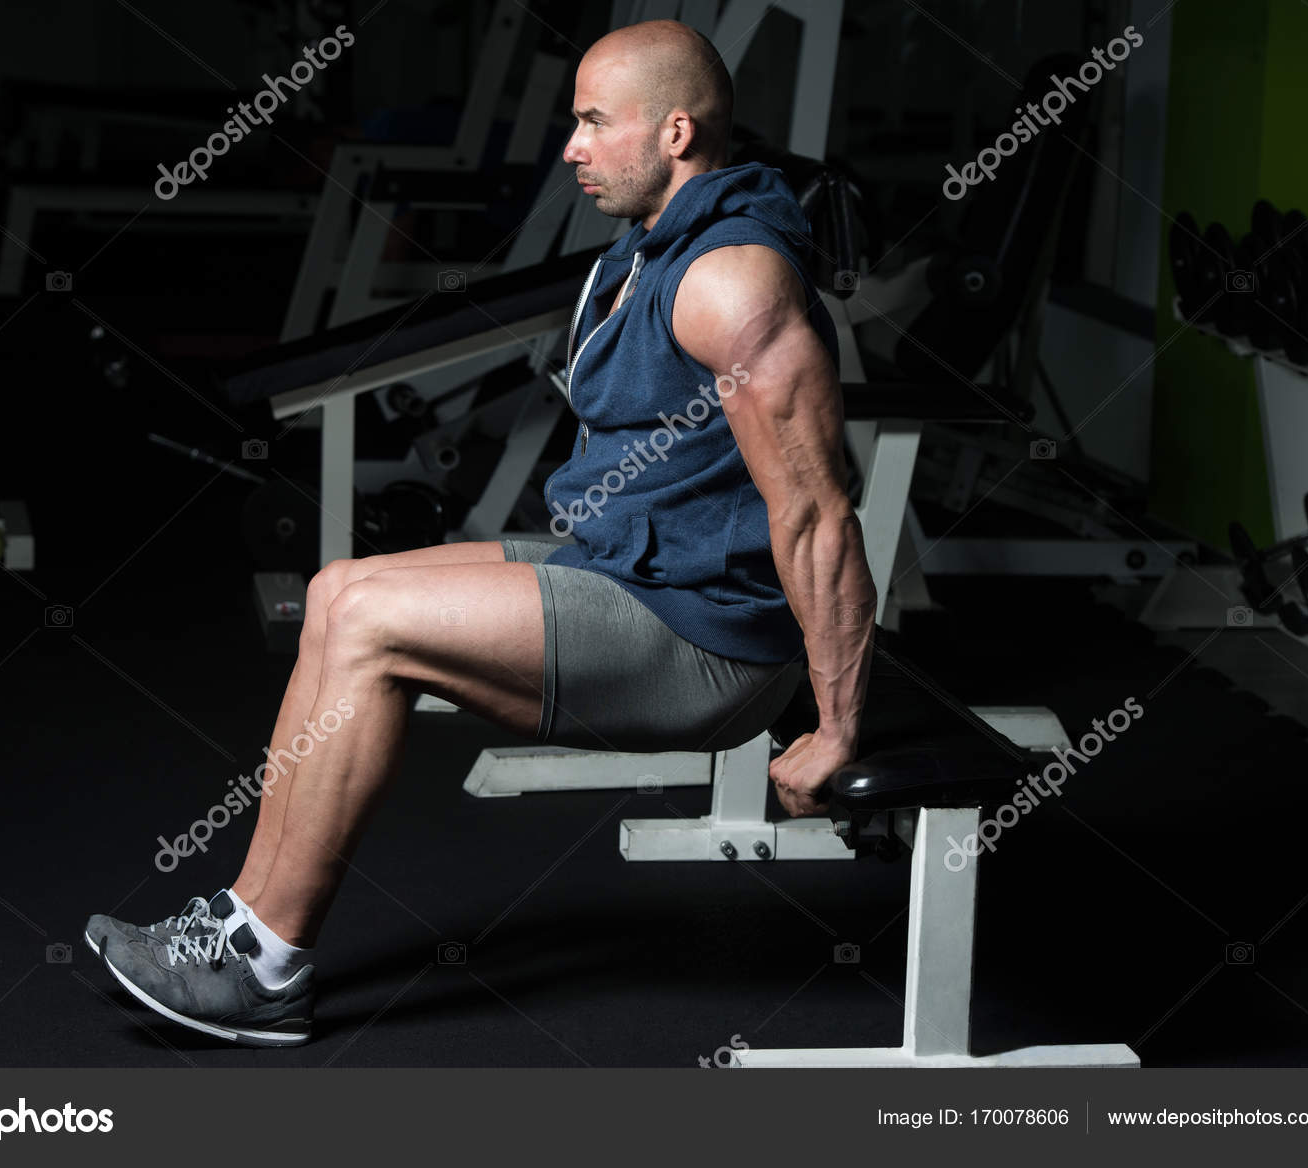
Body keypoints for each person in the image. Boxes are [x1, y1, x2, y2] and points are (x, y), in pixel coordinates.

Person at [86, 18, 877, 1048]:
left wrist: (837, 728)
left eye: (595, 122)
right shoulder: (648, 249)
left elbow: (816, 510)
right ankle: (241, 921)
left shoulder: (731, 283)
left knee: (370, 625)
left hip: (706, 642)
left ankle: (269, 969)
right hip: (632, 572)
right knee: (337, 590)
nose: (572, 147)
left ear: (676, 131)